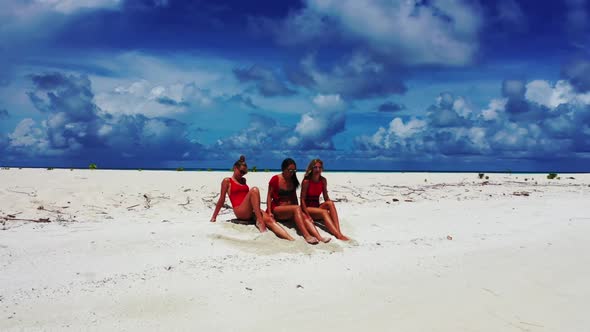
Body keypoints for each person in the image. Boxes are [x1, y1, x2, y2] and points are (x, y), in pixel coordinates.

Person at [210, 156, 293, 241]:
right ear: (235, 168)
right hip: (240, 210)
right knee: (254, 190)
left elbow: (246, 196)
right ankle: (260, 222)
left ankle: (290, 239)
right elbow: (222, 199)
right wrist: (214, 217)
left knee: (270, 220)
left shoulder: (243, 180)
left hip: (251, 209)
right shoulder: (227, 181)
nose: (242, 174)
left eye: (244, 173)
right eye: (241, 171)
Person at [267, 158, 330, 244]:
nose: (292, 172)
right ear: (284, 169)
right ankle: (307, 236)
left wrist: (300, 210)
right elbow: (269, 196)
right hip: (277, 209)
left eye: (294, 170)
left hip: (290, 209)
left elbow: (294, 197)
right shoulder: (275, 179)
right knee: (297, 208)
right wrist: (270, 212)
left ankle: (319, 237)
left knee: (304, 216)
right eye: (290, 170)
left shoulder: (293, 180)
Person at [301, 159, 349, 241]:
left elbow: (326, 197)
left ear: (322, 169)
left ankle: (338, 231)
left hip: (317, 207)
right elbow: (302, 200)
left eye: (319, 167)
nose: (317, 170)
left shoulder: (323, 180)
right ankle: (338, 235)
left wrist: (330, 206)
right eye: (315, 167)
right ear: (311, 168)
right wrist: (307, 215)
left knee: (330, 203)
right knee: (324, 212)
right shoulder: (306, 181)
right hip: (308, 209)